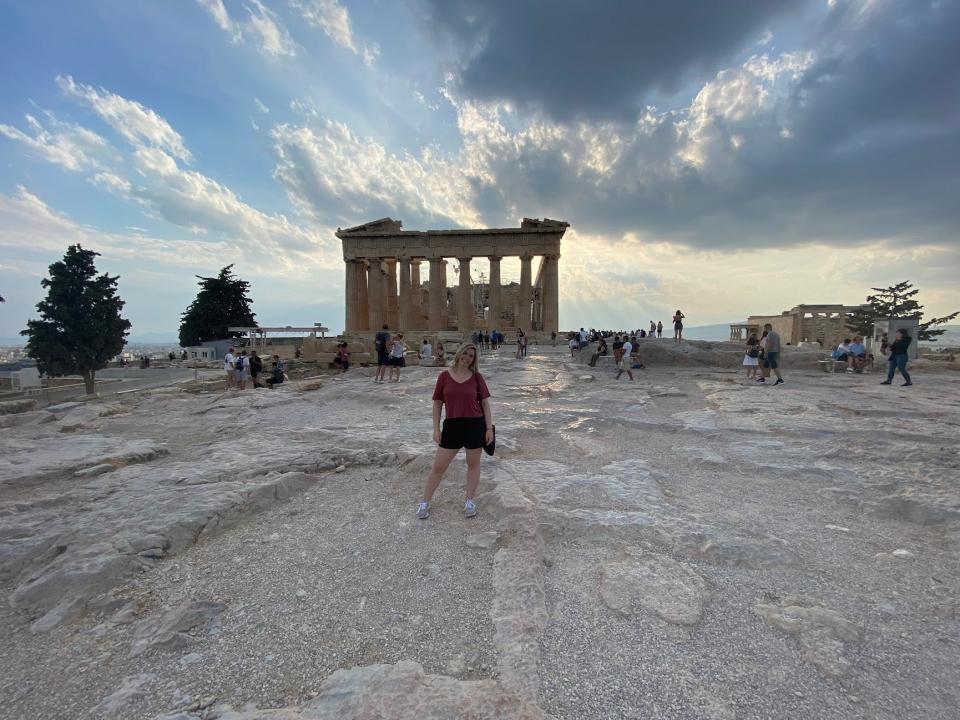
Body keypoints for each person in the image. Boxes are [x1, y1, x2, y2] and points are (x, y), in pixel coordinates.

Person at [416, 343, 493, 520]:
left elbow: (486, 405)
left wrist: (489, 429)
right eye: (465, 353)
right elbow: (437, 404)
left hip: (475, 425)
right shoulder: (444, 376)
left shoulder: (477, 377)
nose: (467, 357)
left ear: (474, 360)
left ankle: (469, 501)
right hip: (452, 426)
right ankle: (425, 502)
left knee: (473, 465)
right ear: (459, 353)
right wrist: (436, 429)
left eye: (471, 356)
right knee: (438, 467)